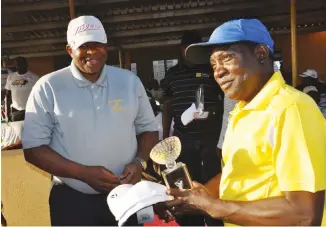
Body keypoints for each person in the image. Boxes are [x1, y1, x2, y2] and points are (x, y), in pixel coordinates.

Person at [164, 19, 326, 226]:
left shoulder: (290, 108)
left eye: (227, 58)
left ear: (260, 54)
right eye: (213, 64)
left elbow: (303, 214)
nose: (217, 72)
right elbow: (236, 172)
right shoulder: (242, 110)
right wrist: (202, 194)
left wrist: (213, 206)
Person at [22, 15, 158, 226]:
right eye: (84, 45)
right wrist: (83, 174)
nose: (92, 52)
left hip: (127, 196)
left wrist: (139, 162)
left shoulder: (129, 82)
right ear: (70, 50)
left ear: (106, 46)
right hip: (73, 200)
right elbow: (33, 149)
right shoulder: (49, 87)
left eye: (98, 44)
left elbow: (149, 129)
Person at [161, 31, 224, 226]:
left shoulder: (211, 70)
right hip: (183, 142)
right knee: (185, 186)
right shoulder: (173, 75)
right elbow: (168, 106)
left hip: (210, 141)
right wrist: (165, 137)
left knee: (213, 186)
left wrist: (213, 114)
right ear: (182, 50)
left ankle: (214, 222)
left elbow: (224, 102)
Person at [4, 57, 39, 122]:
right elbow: (8, 96)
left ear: (26, 65)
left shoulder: (34, 77)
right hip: (15, 111)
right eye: (17, 64)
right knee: (17, 131)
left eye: (21, 64)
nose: (19, 66)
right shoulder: (10, 77)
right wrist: (7, 113)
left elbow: (38, 96)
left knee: (31, 131)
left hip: (31, 110)